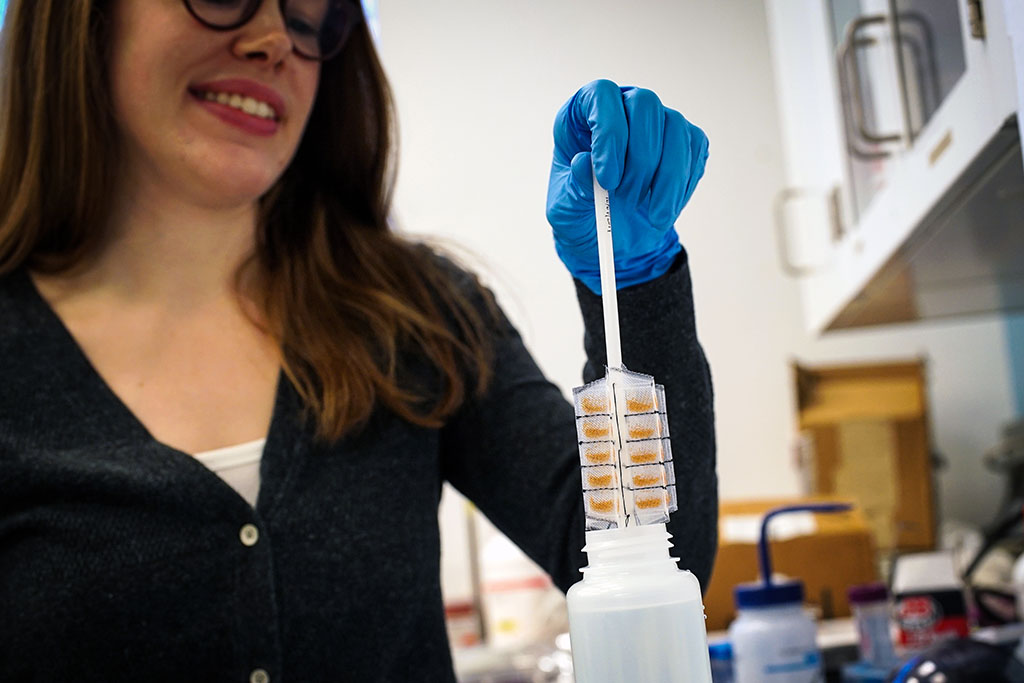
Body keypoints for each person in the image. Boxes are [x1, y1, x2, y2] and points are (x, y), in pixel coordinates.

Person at [0, 0, 717, 681]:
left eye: (308, 13)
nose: (275, 39)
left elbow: (656, 556)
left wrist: (636, 284)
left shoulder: (413, 315)